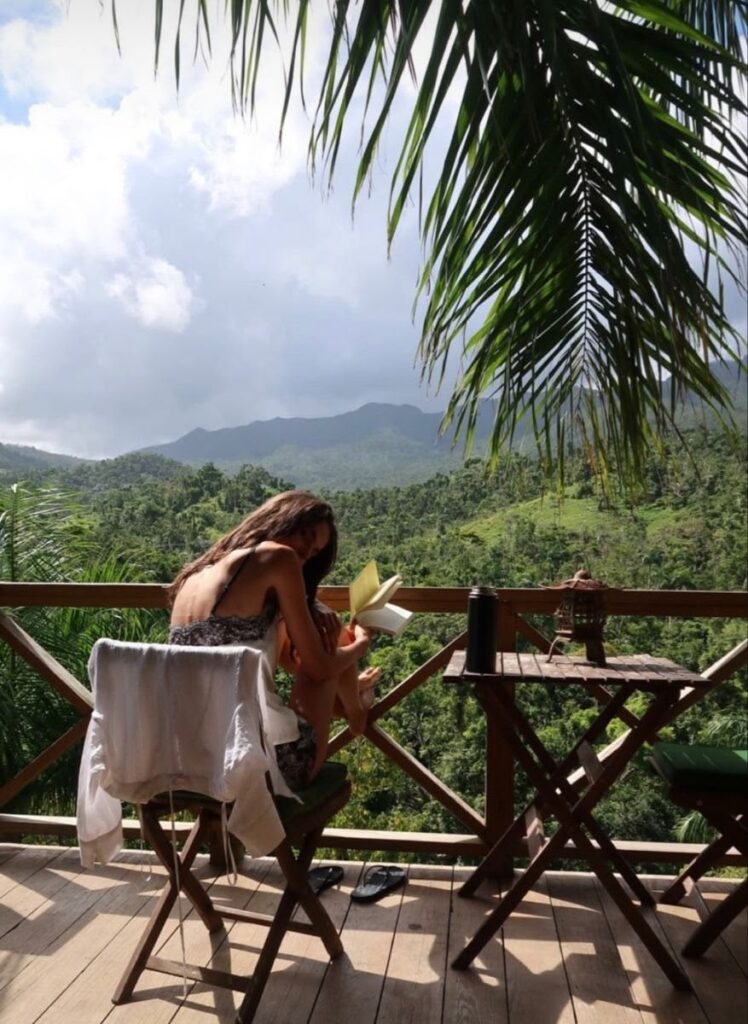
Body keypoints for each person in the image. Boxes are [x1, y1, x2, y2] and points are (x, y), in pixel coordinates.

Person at [167, 489, 378, 790]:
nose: (306, 552)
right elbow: (317, 670)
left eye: (315, 551)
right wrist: (359, 645)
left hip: (189, 761)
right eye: (305, 535)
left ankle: (352, 696)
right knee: (334, 640)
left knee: (326, 641)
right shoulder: (278, 558)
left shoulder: (194, 576)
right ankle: (356, 714)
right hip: (260, 764)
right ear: (282, 518)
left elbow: (274, 659)